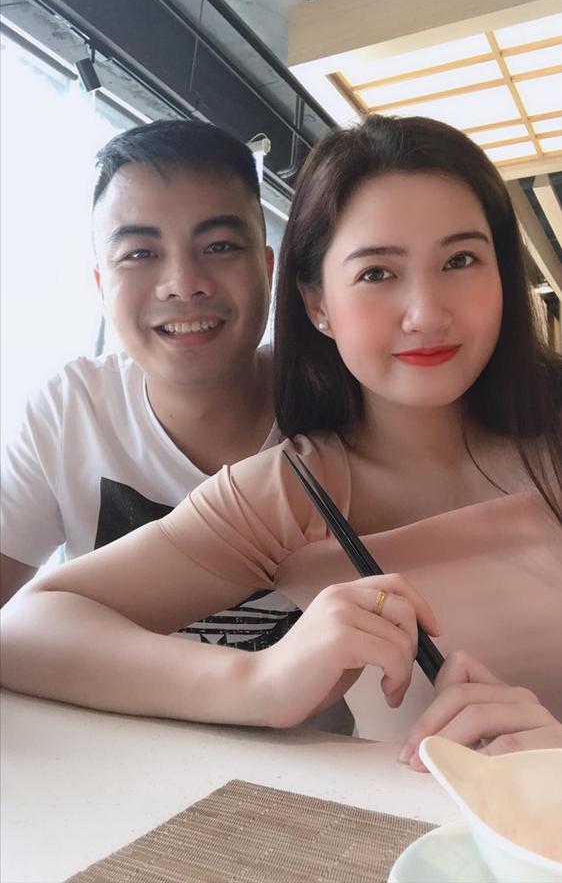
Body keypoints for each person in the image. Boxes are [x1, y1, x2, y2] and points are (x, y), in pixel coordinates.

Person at [2, 115, 561, 766]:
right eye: (377, 273)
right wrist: (260, 682)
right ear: (317, 303)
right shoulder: (291, 490)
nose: (426, 312)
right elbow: (26, 627)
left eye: (460, 260)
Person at [0, 119, 304, 657]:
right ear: (101, 285)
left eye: (219, 245)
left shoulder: (337, 405)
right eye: (140, 254)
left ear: (267, 267)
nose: (183, 283)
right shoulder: (71, 410)